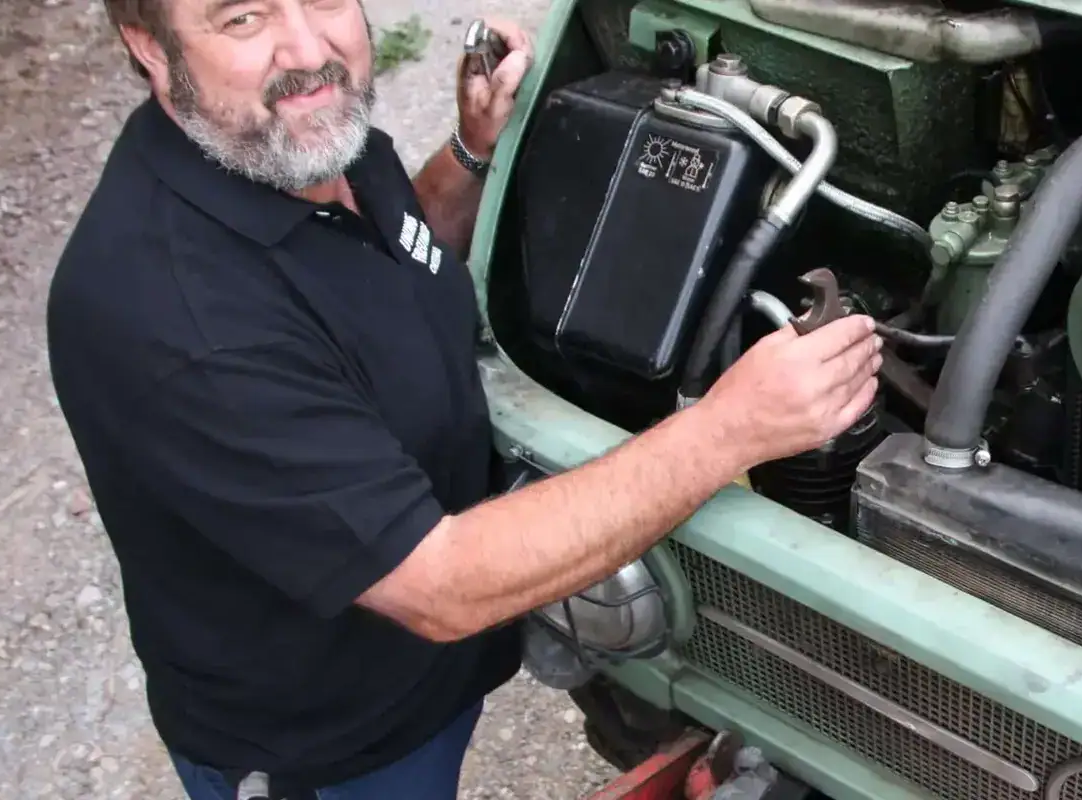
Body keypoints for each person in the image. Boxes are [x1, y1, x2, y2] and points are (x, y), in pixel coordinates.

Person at [46, 1, 883, 798]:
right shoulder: (180, 322)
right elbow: (439, 585)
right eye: (243, 18)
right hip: (336, 753)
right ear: (150, 47)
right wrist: (731, 428)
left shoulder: (299, 148)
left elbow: (376, 267)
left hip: (429, 677)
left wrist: (471, 154)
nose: (308, 52)